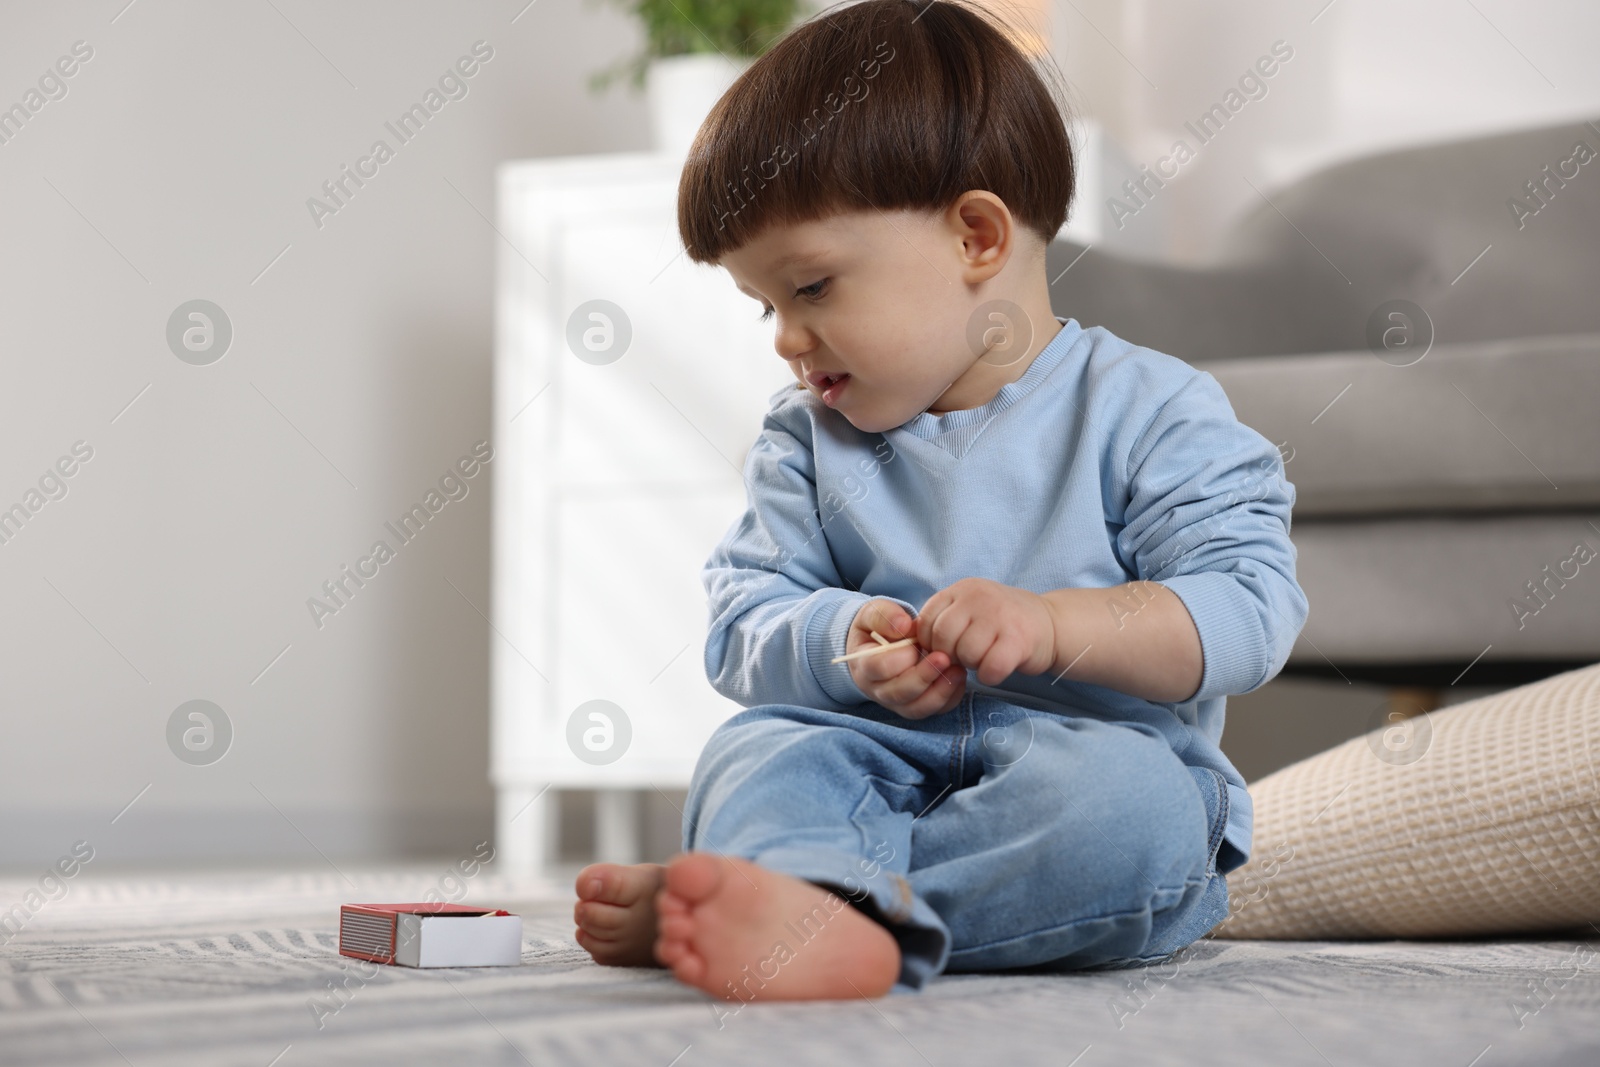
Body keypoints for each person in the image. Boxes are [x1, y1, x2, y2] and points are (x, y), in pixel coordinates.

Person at [571, 0, 1308, 1001]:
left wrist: (1052, 624)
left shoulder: (1153, 407)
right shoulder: (805, 440)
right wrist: (842, 636)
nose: (786, 338)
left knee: (1138, 819)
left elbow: (1246, 608)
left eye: (814, 287)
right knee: (758, 753)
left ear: (975, 237)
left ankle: (809, 905)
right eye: (765, 307)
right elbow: (742, 621)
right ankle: (800, 895)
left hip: (1090, 757)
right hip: (871, 748)